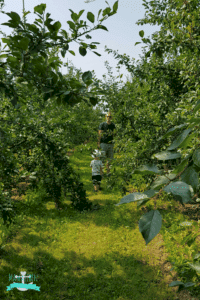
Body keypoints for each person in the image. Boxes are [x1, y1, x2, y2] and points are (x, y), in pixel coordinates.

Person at [97, 111, 116, 176]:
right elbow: (100, 134)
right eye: (108, 116)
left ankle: (108, 173)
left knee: (110, 159)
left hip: (110, 144)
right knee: (102, 159)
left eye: (110, 116)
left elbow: (114, 134)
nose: (109, 118)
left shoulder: (113, 125)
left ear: (111, 117)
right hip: (103, 144)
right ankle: (101, 173)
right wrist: (98, 143)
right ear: (105, 117)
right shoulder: (102, 125)